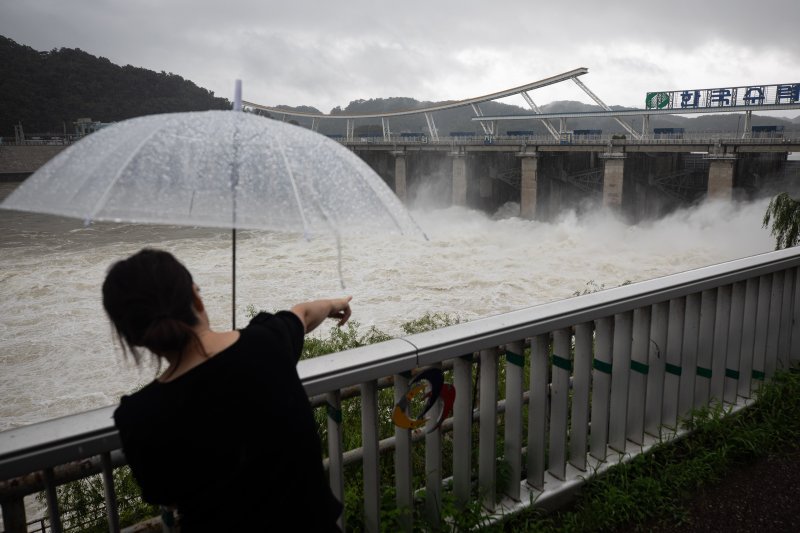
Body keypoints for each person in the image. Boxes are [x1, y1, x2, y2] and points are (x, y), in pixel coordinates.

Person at [103, 248, 350, 532]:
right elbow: (303, 314)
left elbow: (165, 495)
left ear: (133, 338)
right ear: (196, 298)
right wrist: (335, 304)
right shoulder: (266, 343)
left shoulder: (138, 417)